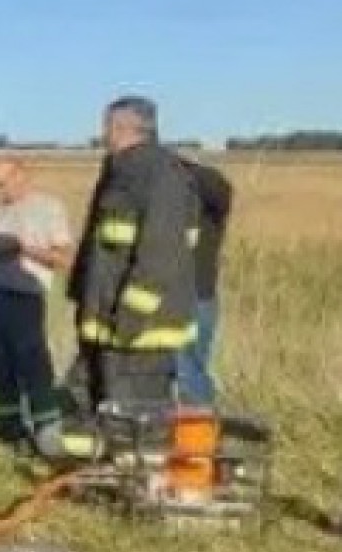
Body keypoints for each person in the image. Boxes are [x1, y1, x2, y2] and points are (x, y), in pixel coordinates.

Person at [58, 96, 200, 457]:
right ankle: (97, 474)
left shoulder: (161, 173)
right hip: (104, 320)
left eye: (107, 125)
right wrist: (81, 298)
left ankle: (142, 485)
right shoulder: (119, 170)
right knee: (88, 396)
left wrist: (133, 316)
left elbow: (161, 253)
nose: (102, 133)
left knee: (137, 413)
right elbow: (100, 246)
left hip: (140, 329)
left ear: (127, 128)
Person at [0, 157, 72, 453]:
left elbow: (64, 259)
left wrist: (23, 248)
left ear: (21, 175)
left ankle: (46, 431)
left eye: (2, 183)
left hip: (26, 296)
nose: (0, 190)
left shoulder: (48, 208)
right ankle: (9, 429)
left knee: (32, 362)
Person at [177, 155, 233, 407]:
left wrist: (183, 167)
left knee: (189, 366)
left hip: (199, 296)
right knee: (181, 367)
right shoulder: (167, 211)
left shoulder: (210, 208)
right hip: (171, 298)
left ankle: (201, 426)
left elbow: (221, 189)